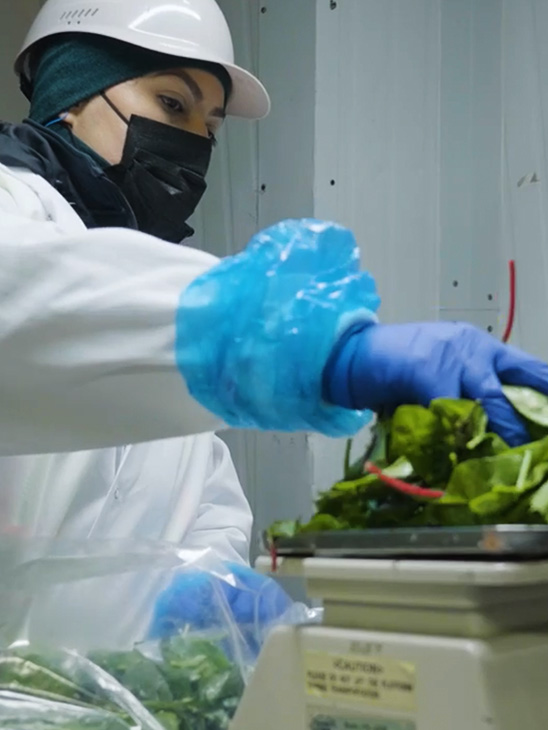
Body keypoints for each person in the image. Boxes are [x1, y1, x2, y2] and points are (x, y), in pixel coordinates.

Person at [1, 0, 548, 626]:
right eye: (172, 104)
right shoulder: (14, 207)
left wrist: (213, 601)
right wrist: (320, 348)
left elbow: (203, 509)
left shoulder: (156, 294)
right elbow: (34, 298)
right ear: (71, 94)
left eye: (211, 127)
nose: (193, 143)